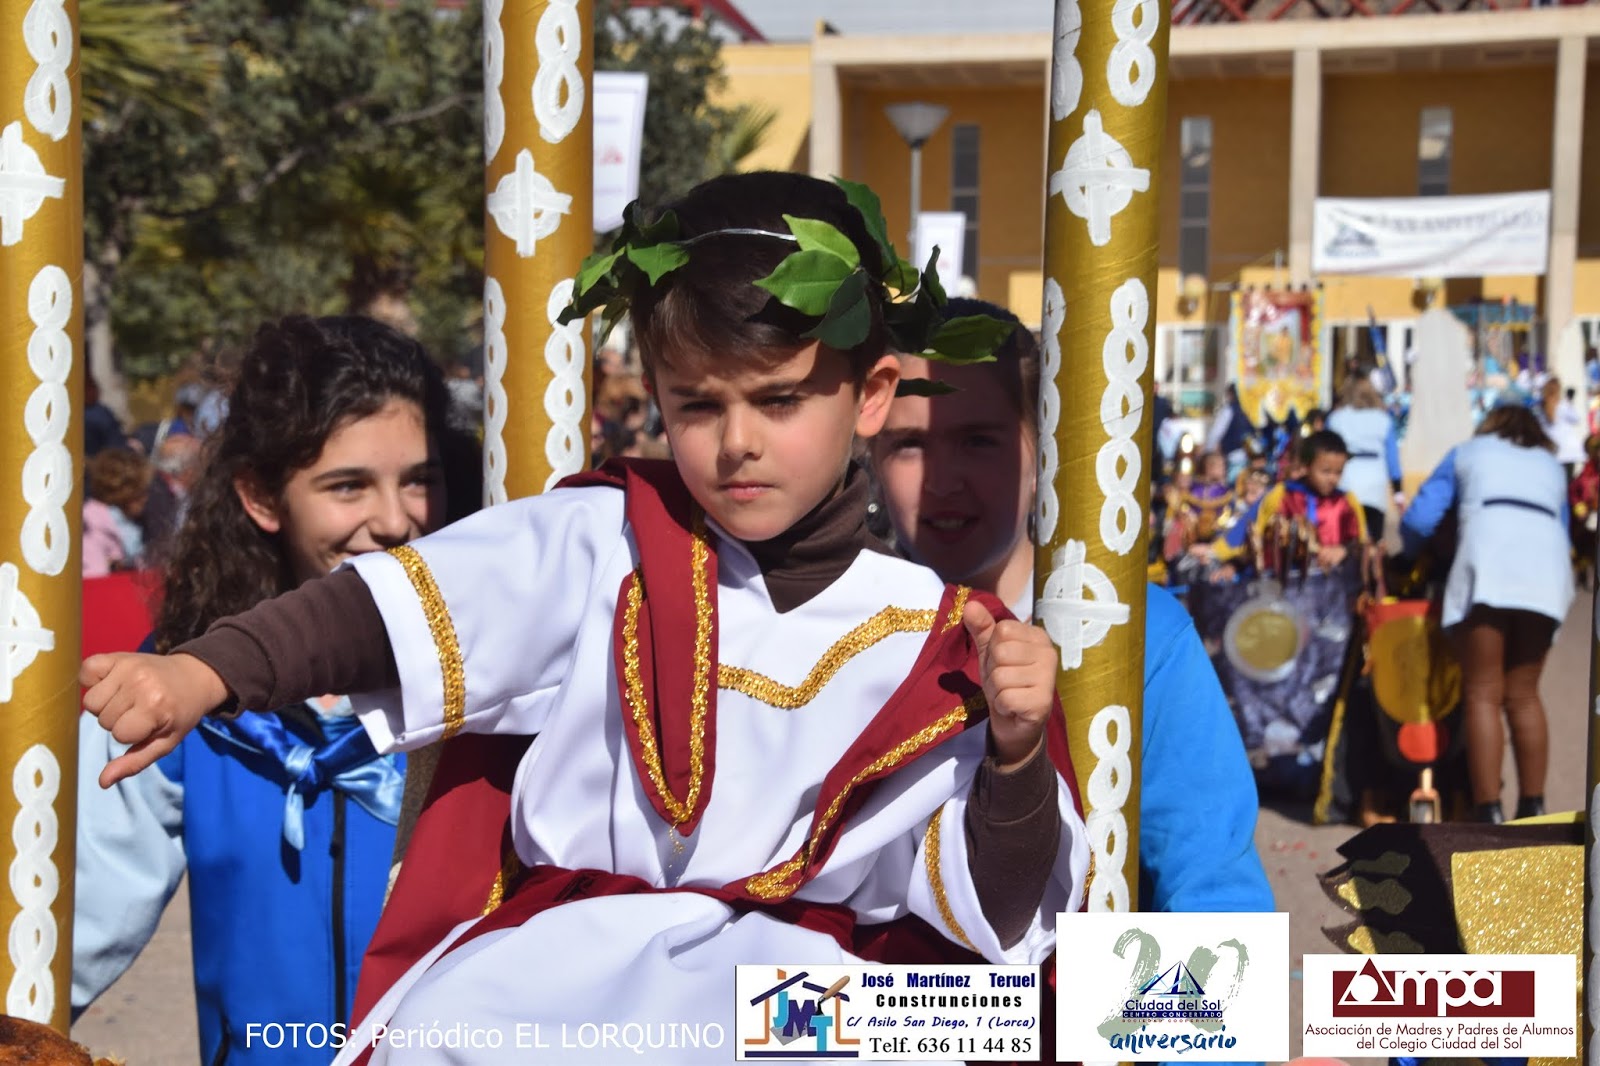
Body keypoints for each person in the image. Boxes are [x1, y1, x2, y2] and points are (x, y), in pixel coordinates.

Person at [80, 172, 1088, 1065]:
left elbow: (1004, 919)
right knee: (447, 1028)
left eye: (778, 401)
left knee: (1073, 1018)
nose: (736, 442)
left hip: (809, 1006)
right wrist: (202, 672)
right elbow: (390, 611)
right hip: (572, 985)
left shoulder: (943, 636)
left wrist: (1013, 759)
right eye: (697, 405)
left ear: (870, 395)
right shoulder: (602, 538)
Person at [73, 316, 466, 1066]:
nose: (396, 521)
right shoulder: (181, 697)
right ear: (260, 497)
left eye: (421, 479)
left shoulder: (495, 684)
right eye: (348, 486)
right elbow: (67, 934)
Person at [868, 297, 1272, 917]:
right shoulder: (834, 625)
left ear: (1042, 449)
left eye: (978, 441)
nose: (941, 480)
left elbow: (1217, 901)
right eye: (909, 444)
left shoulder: (1139, 635)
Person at [1401, 403, 1574, 823]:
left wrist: (1409, 556)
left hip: (1488, 564)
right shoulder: (1551, 466)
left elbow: (1419, 520)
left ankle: (1488, 809)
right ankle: (1533, 808)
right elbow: (1564, 529)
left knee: (1482, 692)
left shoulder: (1467, 452)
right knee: (1524, 694)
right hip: (1545, 573)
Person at [1254, 430, 1368, 572]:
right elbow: (1259, 536)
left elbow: (1361, 543)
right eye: (1326, 471)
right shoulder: (1284, 496)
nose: (1333, 479)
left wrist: (1344, 550)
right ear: (1306, 466)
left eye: (1338, 472)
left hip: (1335, 580)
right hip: (1289, 578)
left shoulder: (1346, 502)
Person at [1327, 376, 1404, 542]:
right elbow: (1393, 461)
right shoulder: (1383, 420)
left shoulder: (1336, 419)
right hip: (1375, 485)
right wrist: (1398, 493)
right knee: (1374, 540)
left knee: (1346, 537)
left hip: (1345, 481)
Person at [82, 448, 151, 577]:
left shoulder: (133, 525)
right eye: (140, 492)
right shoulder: (90, 526)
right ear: (124, 493)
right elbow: (96, 578)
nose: (145, 498)